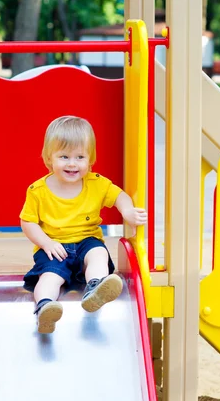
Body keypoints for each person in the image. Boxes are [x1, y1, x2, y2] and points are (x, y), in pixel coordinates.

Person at [20, 116, 148, 333]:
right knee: (50, 276)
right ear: (49, 158)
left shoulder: (97, 183)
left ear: (90, 160)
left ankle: (95, 287)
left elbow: (119, 196)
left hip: (86, 242)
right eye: (64, 156)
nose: (72, 163)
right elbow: (28, 221)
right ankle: (45, 307)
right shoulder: (38, 191)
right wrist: (46, 243)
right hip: (54, 247)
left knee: (98, 253)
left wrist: (127, 210)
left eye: (80, 157)